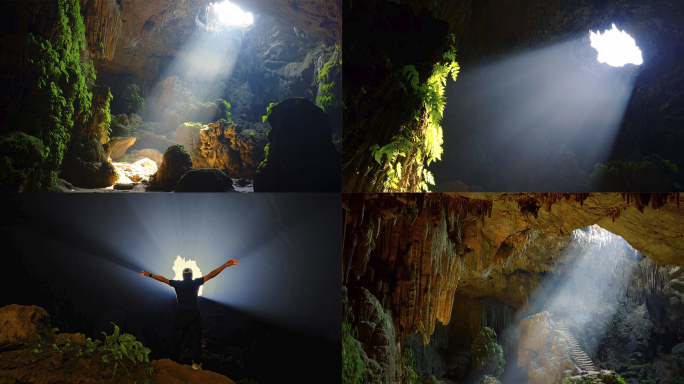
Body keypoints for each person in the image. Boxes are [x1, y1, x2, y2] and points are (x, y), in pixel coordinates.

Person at [140, 259, 239, 370]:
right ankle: (196, 364)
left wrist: (150, 275)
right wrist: (225, 265)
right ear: (191, 276)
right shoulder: (196, 282)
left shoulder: (177, 284)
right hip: (194, 314)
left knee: (177, 340)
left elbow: (163, 279)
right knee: (195, 340)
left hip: (181, 314)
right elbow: (211, 275)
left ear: (182, 276)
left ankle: (173, 362)